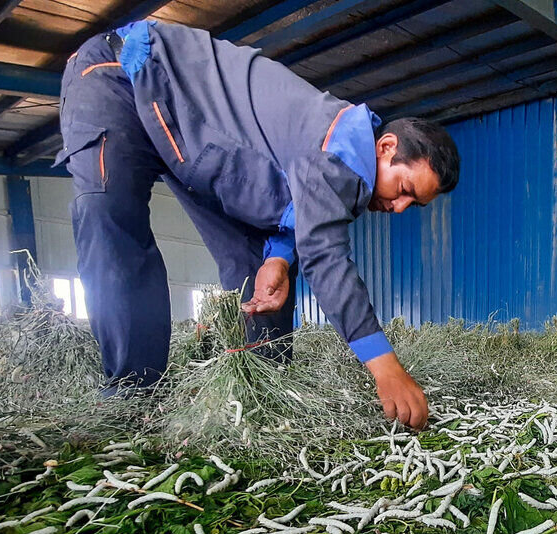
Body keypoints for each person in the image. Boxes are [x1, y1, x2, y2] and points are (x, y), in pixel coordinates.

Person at [55, 20, 459, 431]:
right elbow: (324, 257)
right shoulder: (341, 150)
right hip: (126, 75)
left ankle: (263, 394)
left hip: (194, 137)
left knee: (258, 271)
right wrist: (386, 368)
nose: (401, 206)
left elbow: (295, 214)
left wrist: (281, 259)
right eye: (405, 188)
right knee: (110, 219)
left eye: (415, 203)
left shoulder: (351, 172)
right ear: (386, 147)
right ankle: (134, 393)